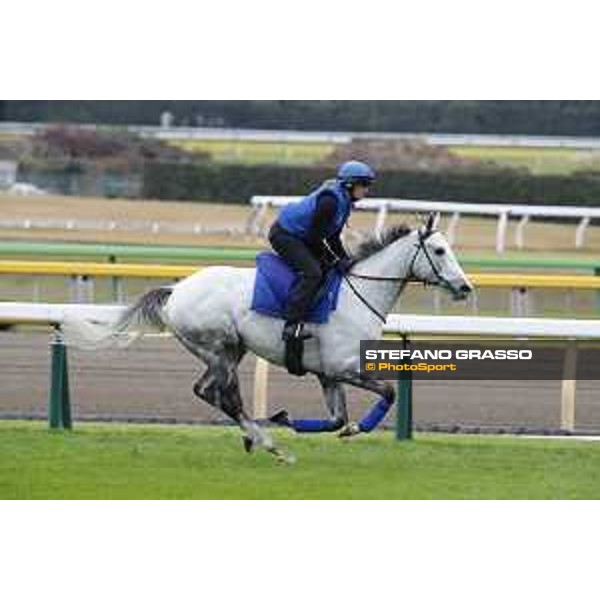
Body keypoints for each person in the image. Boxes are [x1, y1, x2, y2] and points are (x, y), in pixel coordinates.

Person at [268, 160, 376, 345]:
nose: (367, 190)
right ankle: (291, 325)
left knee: (330, 268)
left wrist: (346, 260)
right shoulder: (330, 202)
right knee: (313, 272)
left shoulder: (345, 202)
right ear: (349, 184)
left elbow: (333, 238)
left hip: (304, 236)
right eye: (364, 184)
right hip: (284, 235)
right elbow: (315, 238)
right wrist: (334, 260)